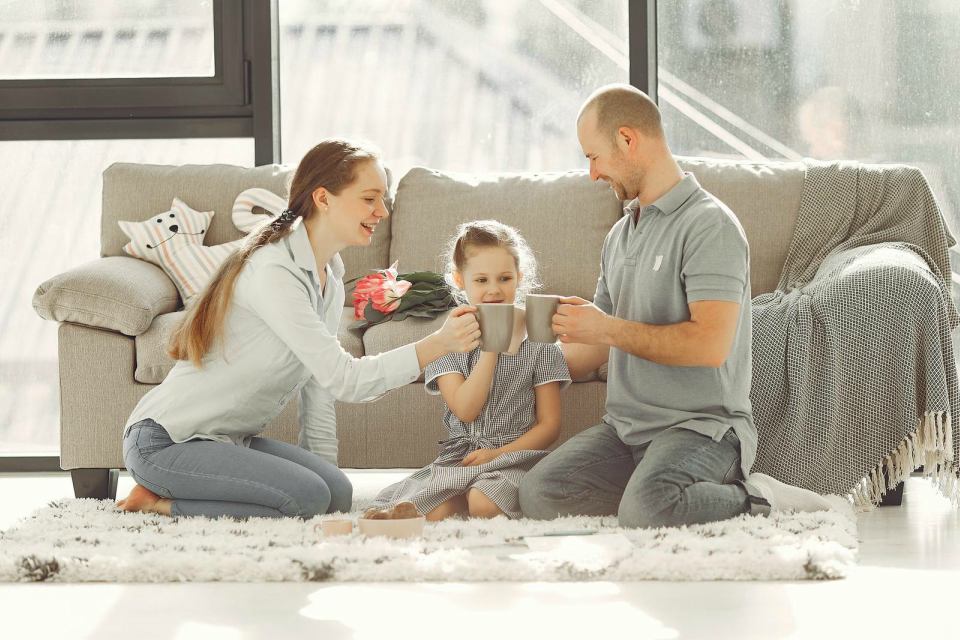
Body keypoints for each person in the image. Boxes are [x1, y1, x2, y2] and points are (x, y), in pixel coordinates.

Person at [116, 139, 480, 519]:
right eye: (370, 198)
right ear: (323, 199)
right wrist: (438, 344)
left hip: (226, 441)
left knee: (334, 495)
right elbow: (346, 380)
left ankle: (241, 490)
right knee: (306, 499)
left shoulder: (328, 280)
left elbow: (319, 389)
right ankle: (161, 502)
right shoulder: (275, 271)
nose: (382, 212)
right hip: (167, 441)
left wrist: (324, 482)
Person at [519, 84, 832, 528]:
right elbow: (594, 350)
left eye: (593, 157)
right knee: (540, 493)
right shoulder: (620, 235)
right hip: (626, 430)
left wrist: (605, 327)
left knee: (648, 508)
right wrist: (522, 353)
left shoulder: (709, 226)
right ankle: (655, 489)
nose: (592, 174)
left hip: (701, 428)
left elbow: (708, 346)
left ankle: (760, 497)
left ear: (627, 140)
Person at [369, 220, 571, 520]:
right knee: (425, 510)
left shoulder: (539, 344)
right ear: (460, 280)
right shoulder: (448, 342)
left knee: (484, 503)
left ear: (519, 278)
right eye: (481, 280)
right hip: (462, 457)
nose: (494, 290)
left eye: (504, 278)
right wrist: (492, 346)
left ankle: (467, 494)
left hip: (514, 457)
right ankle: (448, 498)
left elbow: (549, 426)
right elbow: (465, 410)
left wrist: (497, 455)